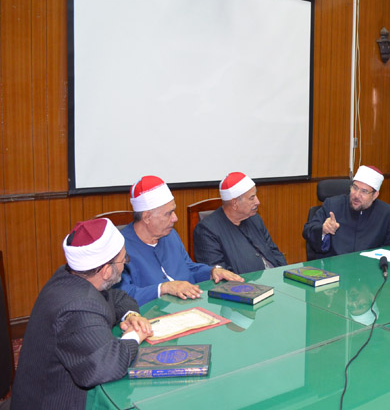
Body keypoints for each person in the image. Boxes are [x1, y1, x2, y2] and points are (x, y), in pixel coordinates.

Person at [12, 219, 153, 409]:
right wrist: (135, 335)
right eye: (124, 259)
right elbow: (107, 366)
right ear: (106, 271)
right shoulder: (78, 306)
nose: (125, 264)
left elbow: (116, 298)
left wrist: (131, 316)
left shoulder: (72, 277)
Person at [116, 175, 241, 306]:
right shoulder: (119, 248)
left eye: (173, 211)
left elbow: (188, 267)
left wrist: (212, 271)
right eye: (168, 213)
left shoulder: (170, 234)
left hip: (189, 307)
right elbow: (123, 297)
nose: (175, 218)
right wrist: (164, 288)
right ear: (147, 217)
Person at [193, 172, 287, 274]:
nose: (258, 202)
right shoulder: (207, 231)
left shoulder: (255, 219)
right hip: (245, 283)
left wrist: (286, 274)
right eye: (252, 198)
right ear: (235, 203)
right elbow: (219, 274)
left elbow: (274, 252)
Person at [303, 165, 390, 258]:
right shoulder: (332, 205)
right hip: (334, 265)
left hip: (368, 266)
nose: (356, 195)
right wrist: (323, 230)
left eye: (364, 191)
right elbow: (308, 230)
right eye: (355, 188)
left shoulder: (387, 213)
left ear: (375, 195)